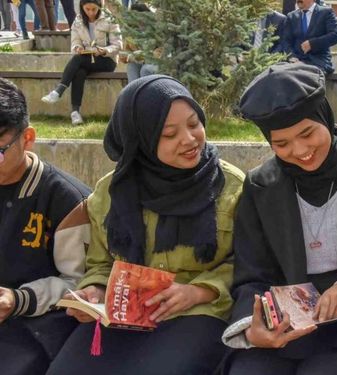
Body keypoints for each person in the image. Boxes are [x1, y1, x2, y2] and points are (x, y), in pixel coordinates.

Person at [47, 75, 245, 375]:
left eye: (194, 124)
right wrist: (94, 292)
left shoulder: (231, 187)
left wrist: (200, 291)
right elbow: (101, 264)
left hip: (197, 311)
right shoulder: (112, 191)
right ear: (142, 140)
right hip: (123, 313)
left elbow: (250, 263)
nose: (190, 139)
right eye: (169, 134)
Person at [222, 62, 337, 375]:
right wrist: (255, 327)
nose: (301, 150)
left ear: (325, 116)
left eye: (307, 133)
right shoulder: (260, 186)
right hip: (288, 327)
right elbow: (251, 274)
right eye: (282, 144)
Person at [0, 77, 91, 375]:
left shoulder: (68, 200)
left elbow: (81, 282)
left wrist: (17, 299)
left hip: (38, 325)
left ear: (28, 138)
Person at [40, 0, 122, 126]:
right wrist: (77, 48)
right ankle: (75, 113)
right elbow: (75, 42)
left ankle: (59, 90)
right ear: (82, 7)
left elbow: (117, 45)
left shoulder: (109, 19)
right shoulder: (78, 21)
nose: (90, 12)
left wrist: (103, 51)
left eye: (93, 9)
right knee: (79, 71)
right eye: (87, 9)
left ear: (100, 6)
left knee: (78, 60)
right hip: (87, 59)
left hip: (106, 60)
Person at [282, 0, 337, 74]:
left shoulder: (326, 12)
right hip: (296, 61)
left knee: (306, 76)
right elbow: (286, 41)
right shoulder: (291, 16)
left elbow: (336, 35)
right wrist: (292, 57)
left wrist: (312, 44)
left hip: (319, 61)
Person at [119, 2, 158, 82]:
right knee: (131, 66)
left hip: (156, 63)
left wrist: (137, 56)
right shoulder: (131, 30)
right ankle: (134, 93)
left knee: (146, 69)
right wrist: (125, 57)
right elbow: (127, 52)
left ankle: (147, 93)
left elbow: (158, 54)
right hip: (139, 61)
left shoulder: (156, 29)